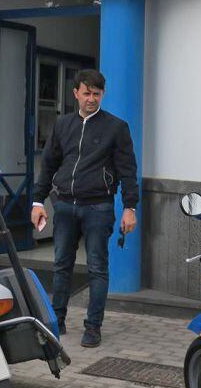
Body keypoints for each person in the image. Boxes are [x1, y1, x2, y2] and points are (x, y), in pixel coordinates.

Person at [30, 69, 138, 348]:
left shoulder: (116, 127)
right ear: (75, 93)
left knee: (97, 268)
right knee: (61, 265)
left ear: (103, 94)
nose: (91, 98)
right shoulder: (63, 125)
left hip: (98, 207)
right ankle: (57, 319)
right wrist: (37, 201)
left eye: (97, 93)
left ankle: (93, 327)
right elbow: (50, 164)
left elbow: (128, 171)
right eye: (87, 93)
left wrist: (130, 207)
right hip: (65, 205)